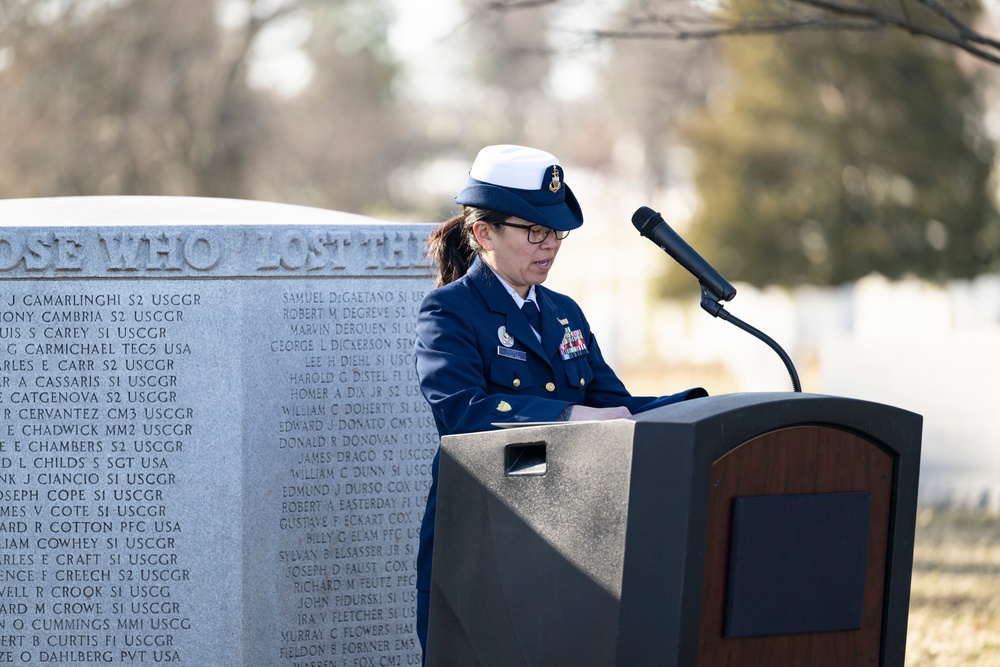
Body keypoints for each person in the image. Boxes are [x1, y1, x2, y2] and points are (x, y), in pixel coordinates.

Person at [412, 144, 707, 656]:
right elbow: (462, 412)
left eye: (555, 232)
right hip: (485, 537)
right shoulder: (449, 310)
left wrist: (695, 407)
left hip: (570, 536)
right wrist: (570, 414)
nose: (549, 246)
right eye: (534, 231)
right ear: (484, 233)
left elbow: (613, 401)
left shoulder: (564, 312)